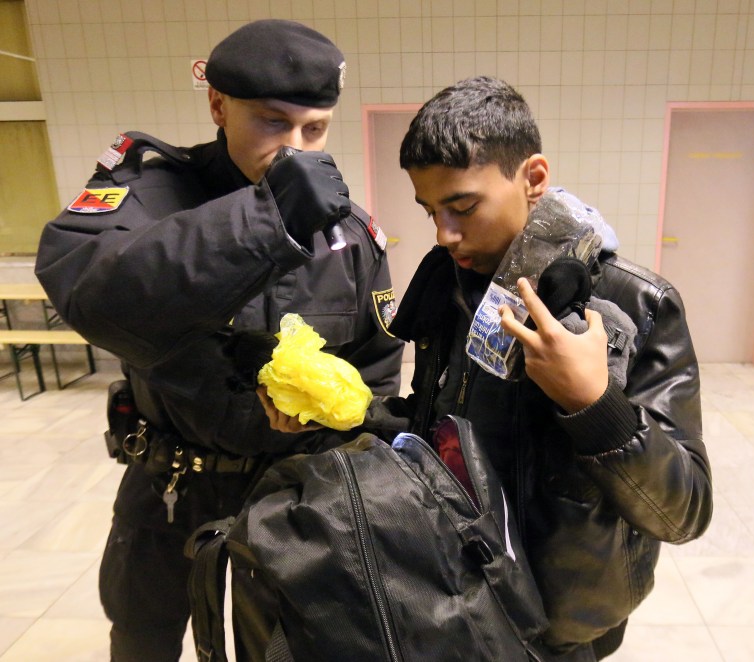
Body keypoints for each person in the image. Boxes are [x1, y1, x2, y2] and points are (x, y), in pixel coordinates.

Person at [259, 76, 713, 661]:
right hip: (452, 597)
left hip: (560, 628)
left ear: (533, 179)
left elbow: (685, 511)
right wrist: (339, 416)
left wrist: (594, 404)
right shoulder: (450, 287)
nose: (445, 235)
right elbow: (434, 435)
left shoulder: (635, 303)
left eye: (463, 207)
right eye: (430, 212)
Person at [34, 19, 403, 662]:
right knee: (143, 639)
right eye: (271, 122)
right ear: (217, 106)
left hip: (295, 492)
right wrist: (266, 218)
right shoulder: (146, 195)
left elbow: (375, 365)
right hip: (172, 487)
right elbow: (87, 290)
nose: (294, 148)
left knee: (287, 646)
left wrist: (334, 418)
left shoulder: (349, 235)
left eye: (313, 129)